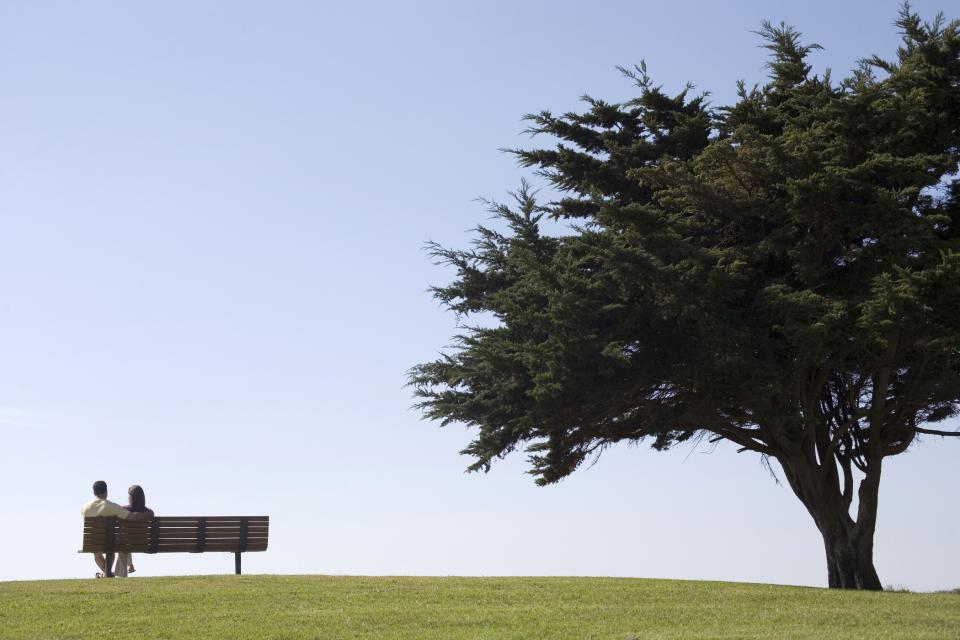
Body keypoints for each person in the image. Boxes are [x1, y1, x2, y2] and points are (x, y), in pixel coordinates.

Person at [80, 480, 154, 578]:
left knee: (98, 551)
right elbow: (132, 517)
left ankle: (106, 574)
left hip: (91, 543)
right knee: (113, 545)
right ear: (106, 491)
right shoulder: (111, 506)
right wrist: (149, 513)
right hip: (111, 543)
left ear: (94, 493)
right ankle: (107, 573)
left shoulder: (85, 508)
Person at [116, 484, 152, 577]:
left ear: (131, 497)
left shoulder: (124, 510)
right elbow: (151, 513)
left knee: (124, 543)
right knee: (127, 541)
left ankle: (122, 575)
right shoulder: (148, 512)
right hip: (143, 543)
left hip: (126, 543)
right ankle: (130, 565)